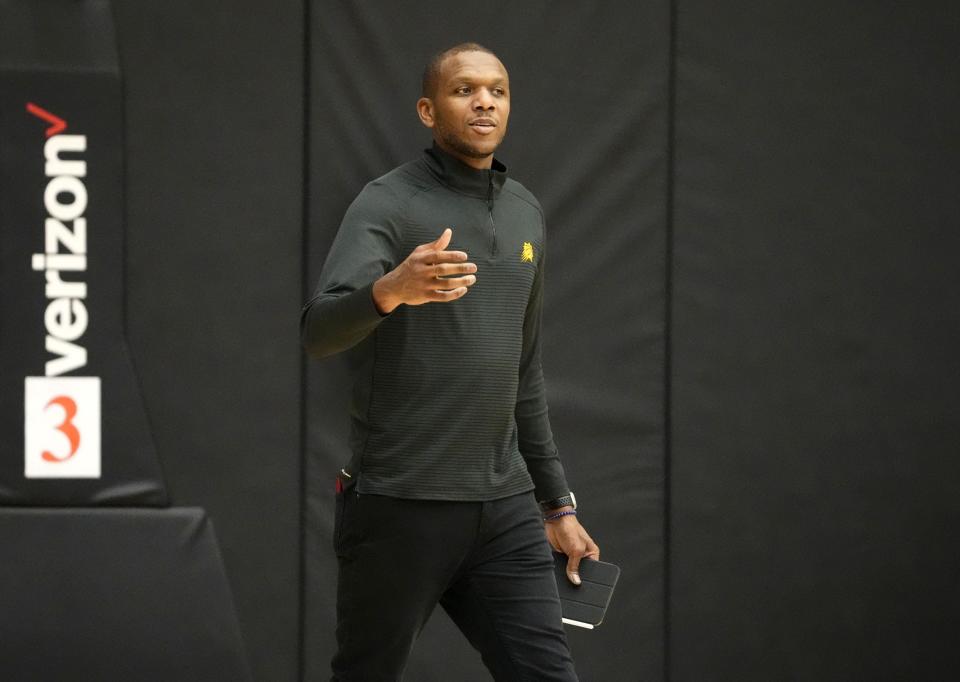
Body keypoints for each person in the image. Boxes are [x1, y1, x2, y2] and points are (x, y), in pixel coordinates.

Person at [301, 42, 600, 682]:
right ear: (428, 110)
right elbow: (319, 331)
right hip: (399, 502)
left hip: (506, 506)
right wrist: (389, 291)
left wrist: (558, 506)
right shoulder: (387, 203)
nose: (485, 100)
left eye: (497, 89)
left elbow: (525, 373)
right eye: (465, 89)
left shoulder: (525, 210)